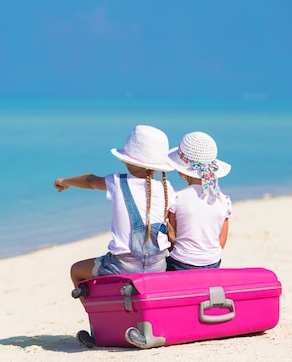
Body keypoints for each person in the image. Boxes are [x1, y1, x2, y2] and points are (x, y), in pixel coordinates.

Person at [54, 125, 176, 292]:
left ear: (126, 160)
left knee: (76, 271)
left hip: (121, 265)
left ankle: (96, 315)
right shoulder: (167, 188)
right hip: (158, 265)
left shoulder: (118, 182)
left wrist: (65, 181)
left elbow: (90, 181)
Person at [164, 131, 232, 271]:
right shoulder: (223, 200)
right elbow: (221, 243)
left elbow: (171, 239)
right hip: (213, 262)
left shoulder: (176, 198)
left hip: (180, 263)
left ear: (180, 171)